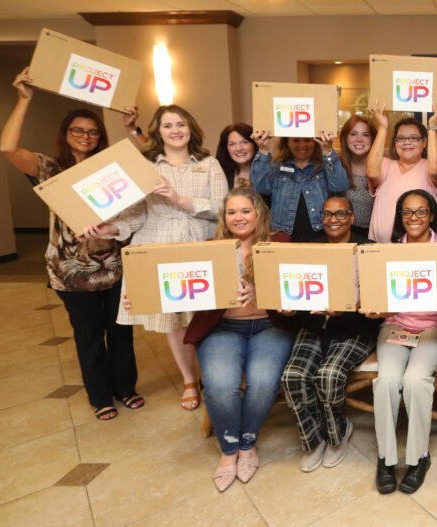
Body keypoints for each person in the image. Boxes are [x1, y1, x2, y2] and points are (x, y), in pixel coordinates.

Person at [0, 67, 141, 421]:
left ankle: (126, 388)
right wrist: (23, 99)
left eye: (93, 132)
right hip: (70, 269)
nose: (86, 136)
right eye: (78, 130)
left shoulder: (111, 168)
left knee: (121, 331)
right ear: (66, 134)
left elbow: (145, 168)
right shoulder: (49, 168)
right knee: (89, 334)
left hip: (115, 264)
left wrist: (132, 129)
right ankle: (100, 397)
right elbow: (7, 147)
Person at [86, 104, 228, 412]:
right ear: (158, 132)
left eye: (181, 124)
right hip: (156, 245)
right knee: (173, 319)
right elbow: (136, 215)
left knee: (205, 315)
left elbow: (222, 208)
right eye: (167, 125)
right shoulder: (145, 167)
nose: (175, 130)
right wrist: (110, 227)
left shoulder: (210, 163)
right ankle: (190, 379)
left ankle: (214, 377)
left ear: (191, 128)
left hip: (199, 244)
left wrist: (179, 199)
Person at [177, 186, 295, 492]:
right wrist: (141, 295)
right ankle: (229, 449)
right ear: (223, 217)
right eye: (231, 212)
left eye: (245, 211)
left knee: (264, 380)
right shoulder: (209, 247)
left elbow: (295, 285)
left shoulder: (279, 242)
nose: (238, 217)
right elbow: (177, 285)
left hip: (270, 326)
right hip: (223, 328)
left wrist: (263, 291)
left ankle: (247, 441)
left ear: (259, 213)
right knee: (218, 384)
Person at [367, 190, 437, 495]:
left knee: (416, 381)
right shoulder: (390, 251)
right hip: (395, 327)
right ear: (400, 217)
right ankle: (386, 458)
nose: (414, 218)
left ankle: (419, 456)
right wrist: (372, 306)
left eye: (421, 212)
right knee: (387, 381)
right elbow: (379, 301)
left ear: (432, 215)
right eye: (407, 213)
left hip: (432, 328)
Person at [281, 193, 381, 472]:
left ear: (351, 217)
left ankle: (337, 434)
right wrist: (291, 307)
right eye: (327, 214)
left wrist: (347, 308)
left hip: (354, 329)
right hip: (314, 326)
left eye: (340, 214)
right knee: (293, 376)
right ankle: (313, 439)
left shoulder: (368, 248)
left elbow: (377, 297)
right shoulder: (308, 248)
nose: (333, 220)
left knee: (329, 374)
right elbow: (296, 290)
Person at [366, 99, 437, 243]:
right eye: (401, 138)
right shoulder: (385, 164)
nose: (406, 142)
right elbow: (371, 172)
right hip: (381, 249)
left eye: (413, 138)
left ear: (424, 143)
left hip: (422, 250)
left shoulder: (429, 166)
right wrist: (383, 127)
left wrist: (433, 126)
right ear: (395, 143)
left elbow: (435, 170)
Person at [250, 128, 348, 242]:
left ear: (315, 142)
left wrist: (327, 150)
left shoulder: (325, 166)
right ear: (287, 142)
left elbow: (340, 186)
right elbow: (260, 188)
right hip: (283, 237)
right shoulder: (276, 166)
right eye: (296, 140)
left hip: (320, 236)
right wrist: (263, 150)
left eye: (307, 140)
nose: (302, 145)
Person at [338, 115, 378, 238]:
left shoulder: (384, 167)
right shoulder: (337, 166)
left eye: (366, 135)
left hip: (376, 235)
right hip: (345, 234)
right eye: (353, 134)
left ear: (374, 140)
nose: (359, 139)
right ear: (345, 138)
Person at [215, 123, 258, 189]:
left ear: (254, 144)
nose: (239, 148)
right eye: (232, 144)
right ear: (226, 148)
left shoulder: (269, 170)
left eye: (245, 142)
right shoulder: (219, 173)